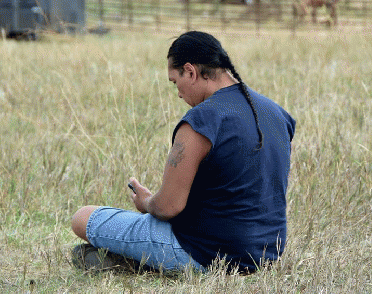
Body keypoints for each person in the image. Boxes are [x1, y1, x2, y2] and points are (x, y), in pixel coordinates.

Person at [70, 31, 296, 273]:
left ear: (190, 71)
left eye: (175, 82)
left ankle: (140, 262)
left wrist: (146, 201)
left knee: (83, 218)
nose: (178, 93)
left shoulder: (201, 120)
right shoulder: (277, 113)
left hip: (206, 253)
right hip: (266, 255)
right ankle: (136, 261)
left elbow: (169, 207)